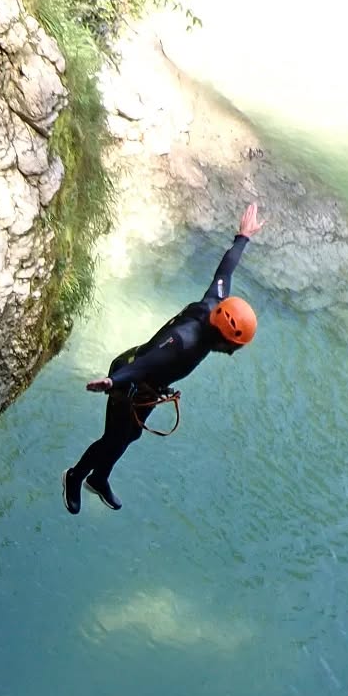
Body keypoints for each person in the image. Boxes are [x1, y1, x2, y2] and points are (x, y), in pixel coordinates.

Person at [63, 201, 266, 514]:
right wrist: (113, 382)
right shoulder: (184, 341)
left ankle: (99, 478)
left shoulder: (215, 304)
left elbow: (225, 269)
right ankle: (76, 476)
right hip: (129, 380)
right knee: (114, 440)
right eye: (234, 347)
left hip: (146, 384)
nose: (233, 352)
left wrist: (243, 237)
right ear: (224, 338)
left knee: (129, 436)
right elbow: (147, 362)